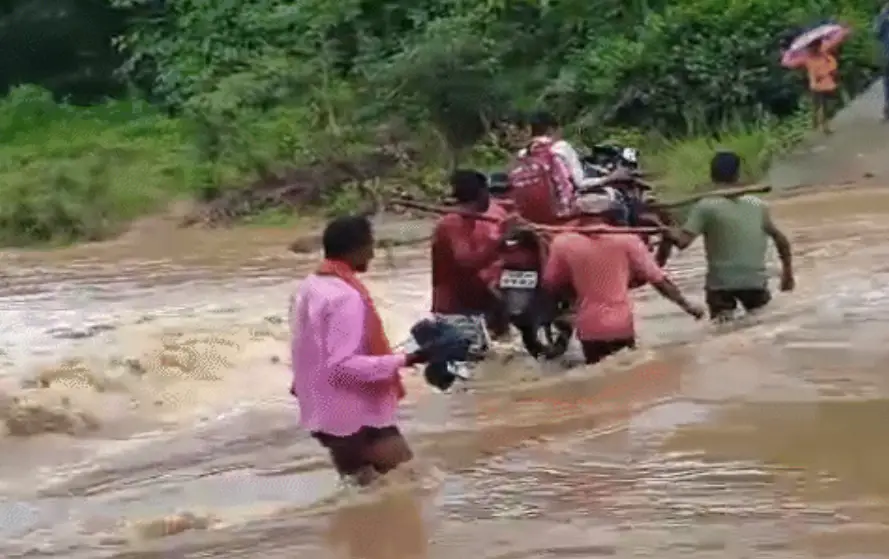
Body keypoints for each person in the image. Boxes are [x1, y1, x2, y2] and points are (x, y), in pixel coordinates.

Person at [289, 215, 429, 486]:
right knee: (415, 485)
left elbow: (306, 347)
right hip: (353, 415)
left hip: (321, 409)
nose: (373, 254)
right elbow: (342, 364)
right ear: (355, 249)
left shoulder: (309, 286)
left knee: (363, 491)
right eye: (370, 246)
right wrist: (407, 359)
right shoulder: (346, 297)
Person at [542, 194, 704, 365]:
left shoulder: (563, 243)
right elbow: (658, 280)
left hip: (588, 328)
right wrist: (688, 306)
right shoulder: (627, 240)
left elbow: (551, 282)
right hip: (620, 325)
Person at [668, 151, 794, 323]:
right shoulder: (757, 205)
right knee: (761, 324)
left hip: (721, 286)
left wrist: (666, 229)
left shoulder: (705, 207)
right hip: (754, 282)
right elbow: (781, 239)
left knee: (722, 329)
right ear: (738, 174)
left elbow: (682, 242)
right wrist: (788, 273)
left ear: (712, 175)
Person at [431, 169, 513, 352]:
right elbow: (466, 262)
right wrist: (499, 239)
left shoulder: (469, 222)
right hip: (455, 312)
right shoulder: (453, 223)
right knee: (468, 368)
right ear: (482, 193)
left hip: (471, 310)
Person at [508, 110, 629, 225]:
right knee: (618, 205)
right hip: (561, 211)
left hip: (529, 216)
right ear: (551, 129)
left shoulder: (522, 154)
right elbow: (580, 183)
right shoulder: (560, 147)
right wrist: (610, 178)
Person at [781, 27, 850, 134]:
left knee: (825, 105)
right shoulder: (807, 57)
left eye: (818, 44)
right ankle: (818, 125)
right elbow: (788, 63)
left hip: (826, 82)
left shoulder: (823, 52)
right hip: (816, 84)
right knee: (818, 105)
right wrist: (788, 53)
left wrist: (844, 32)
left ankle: (823, 125)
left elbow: (832, 59)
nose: (817, 46)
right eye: (815, 45)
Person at [875, 3, 889, 120]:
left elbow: (877, 33)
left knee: (887, 82)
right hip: (886, 55)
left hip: (886, 55)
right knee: (887, 82)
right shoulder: (884, 18)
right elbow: (877, 33)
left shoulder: (883, 18)